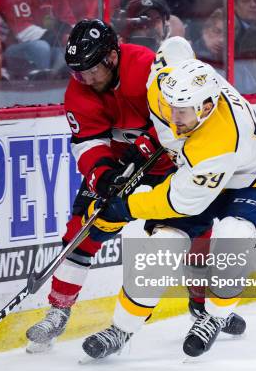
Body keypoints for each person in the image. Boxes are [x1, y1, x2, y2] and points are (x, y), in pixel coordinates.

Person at [80, 58, 256, 360]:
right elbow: (175, 53)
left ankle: (215, 317)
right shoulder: (162, 89)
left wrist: (125, 208)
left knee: (233, 238)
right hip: (194, 173)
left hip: (251, 181)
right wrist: (145, 144)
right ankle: (121, 329)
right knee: (162, 246)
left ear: (206, 108)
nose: (173, 115)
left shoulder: (221, 142)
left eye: (182, 111)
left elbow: (178, 200)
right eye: (170, 106)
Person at [24, 20, 192, 353]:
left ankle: (203, 307)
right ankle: (58, 311)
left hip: (169, 165)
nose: (83, 79)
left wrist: (145, 146)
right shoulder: (79, 90)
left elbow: (179, 117)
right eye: (76, 72)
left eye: (89, 71)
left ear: (111, 58)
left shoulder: (146, 68)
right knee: (81, 231)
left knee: (190, 233)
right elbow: (87, 143)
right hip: (118, 166)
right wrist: (102, 175)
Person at [192, 8, 226, 76]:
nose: (221, 40)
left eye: (226, 34)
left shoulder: (228, 57)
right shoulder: (193, 56)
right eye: (217, 31)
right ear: (205, 30)